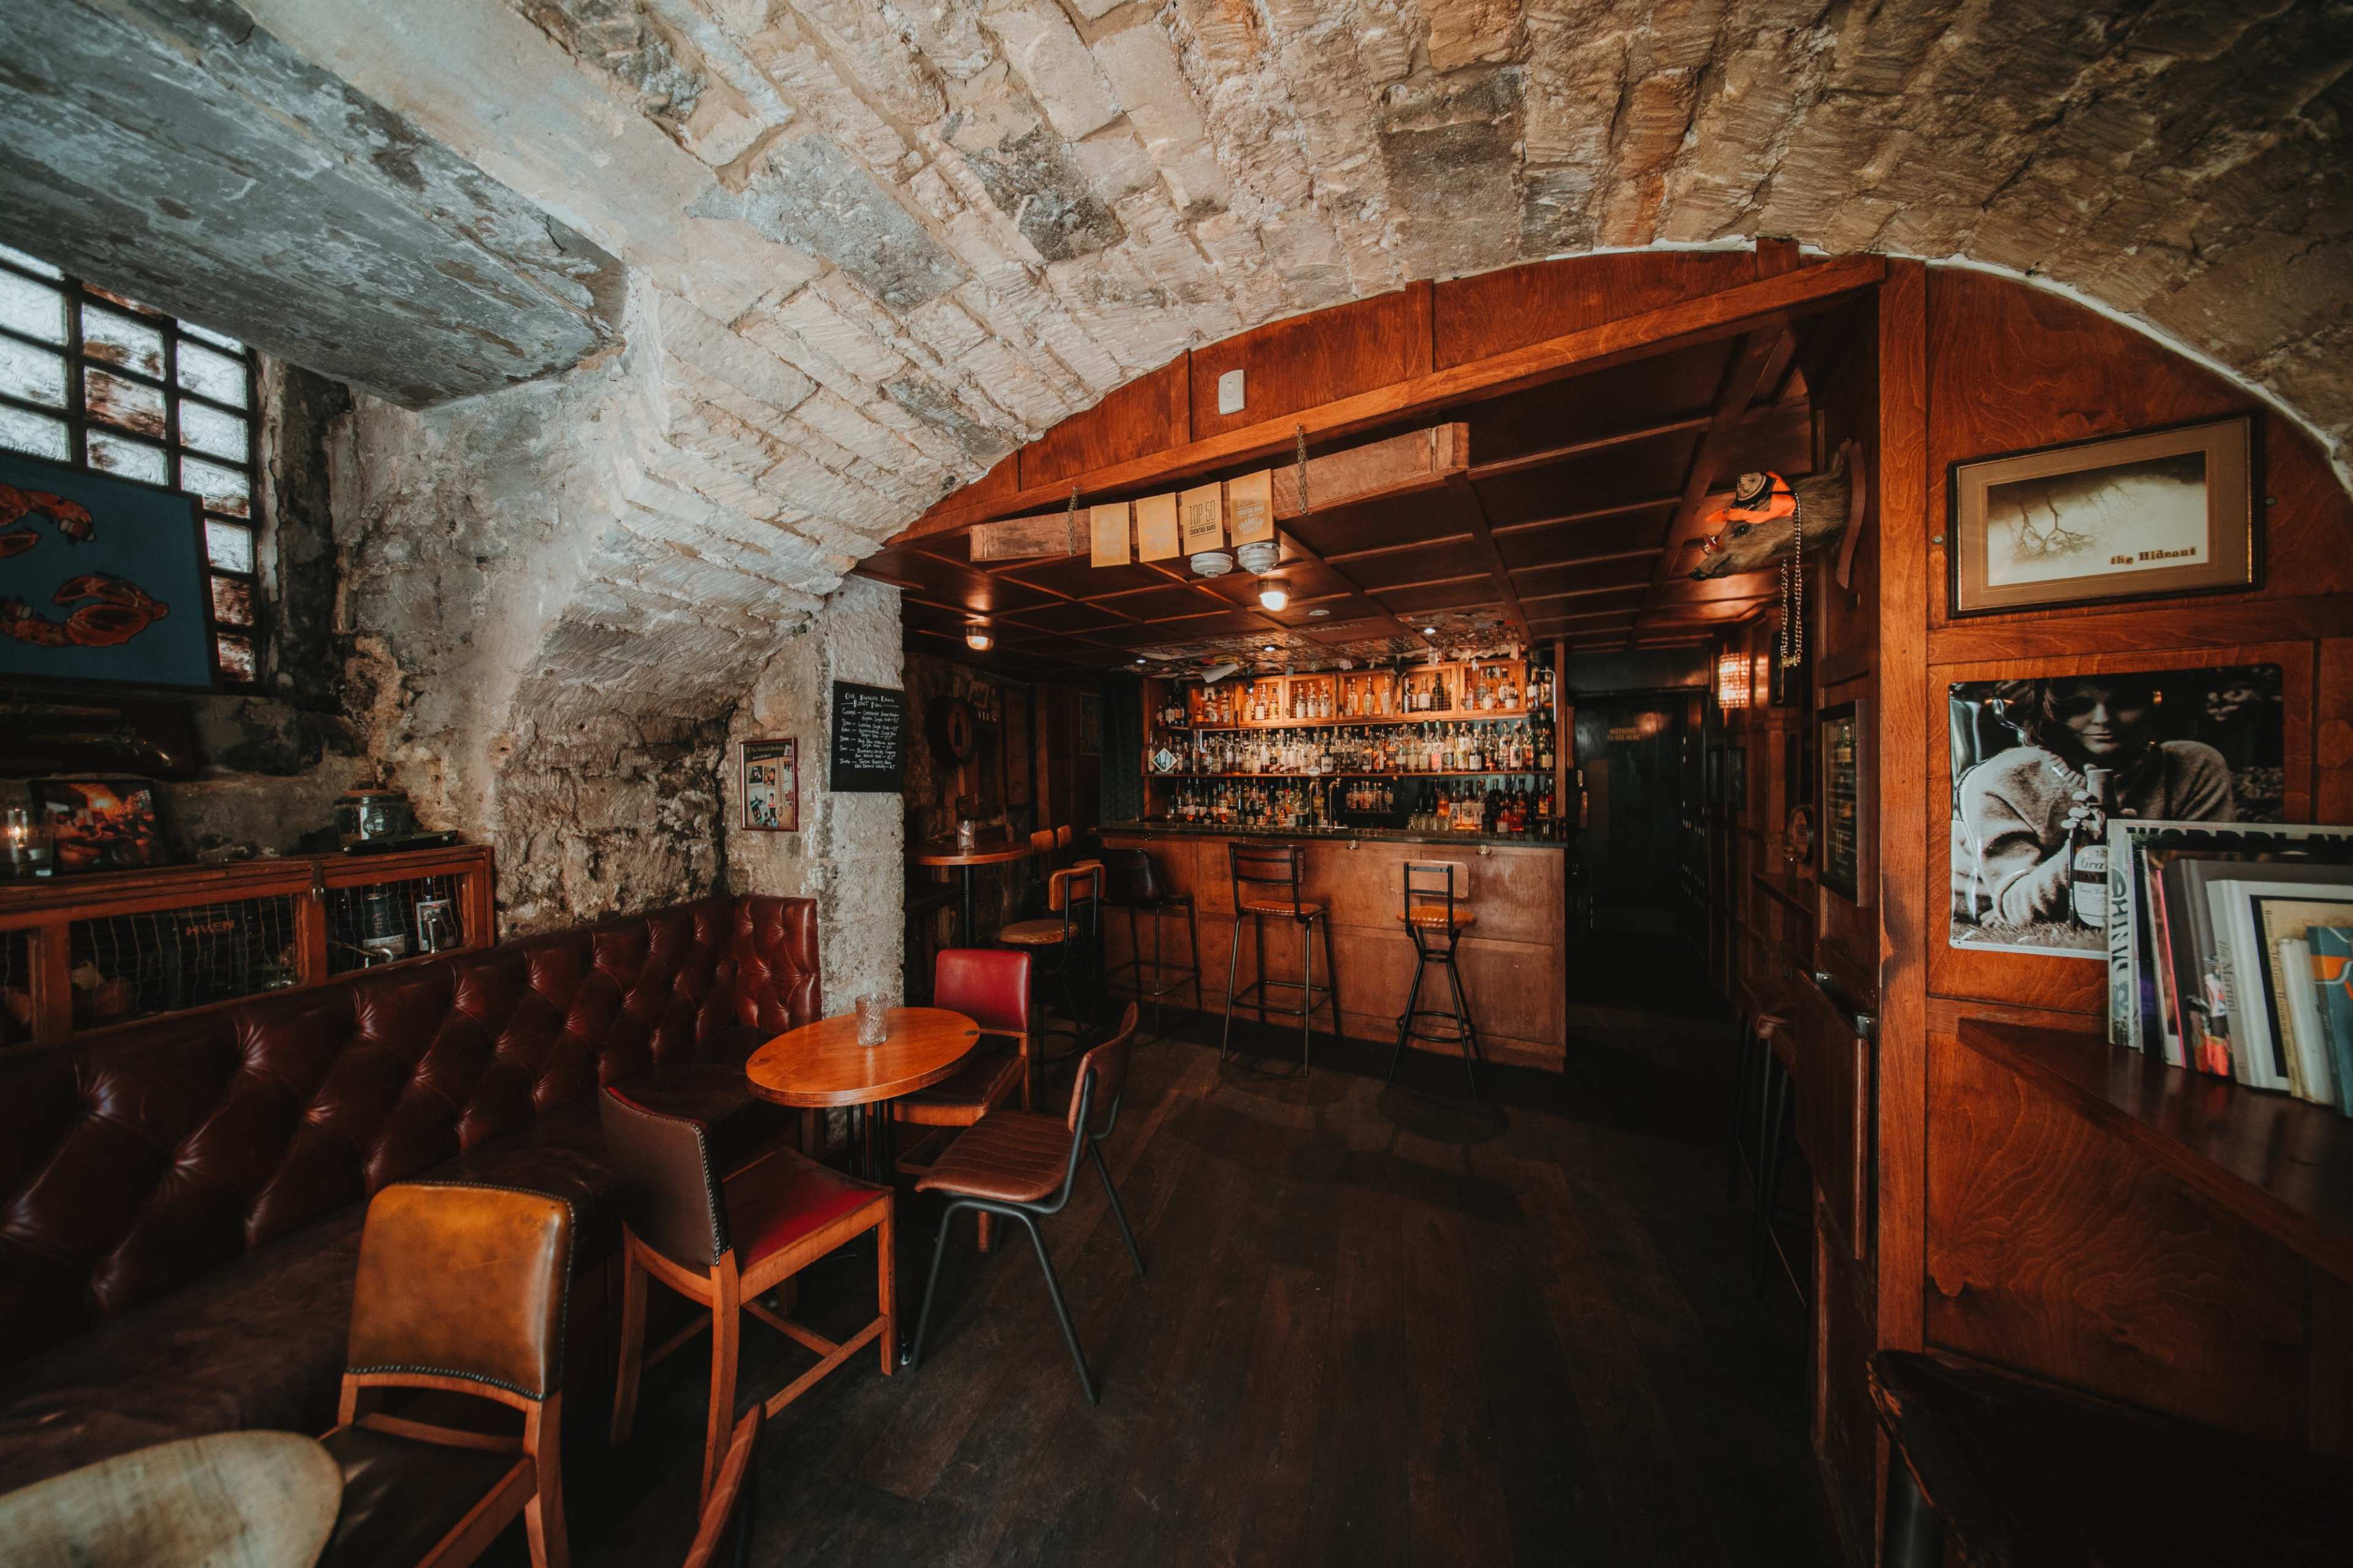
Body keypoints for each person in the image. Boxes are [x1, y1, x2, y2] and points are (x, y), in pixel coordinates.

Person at [1953, 676, 2234, 928]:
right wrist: (2082, 849)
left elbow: (2201, 882)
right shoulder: (2001, 780)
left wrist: (2123, 841)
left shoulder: (2193, 766)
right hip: (1977, 898)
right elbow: (2018, 907)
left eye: (2124, 703)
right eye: (2078, 706)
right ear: (2049, 713)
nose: (2104, 719)